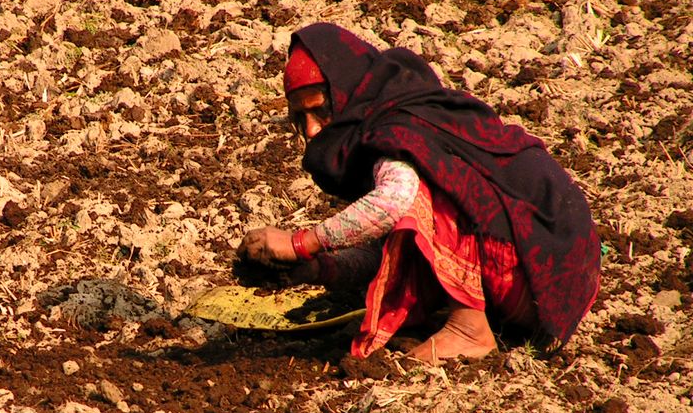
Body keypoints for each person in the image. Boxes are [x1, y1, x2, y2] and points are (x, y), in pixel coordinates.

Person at [237, 22, 601, 363]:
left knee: (430, 189)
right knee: (410, 220)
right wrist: (316, 268)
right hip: (553, 283)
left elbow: (394, 203)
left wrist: (301, 243)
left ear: (344, 91)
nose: (313, 130)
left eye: (321, 111)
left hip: (540, 274)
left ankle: (468, 327)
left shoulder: (398, 130)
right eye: (301, 119)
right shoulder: (393, 117)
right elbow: (394, 245)